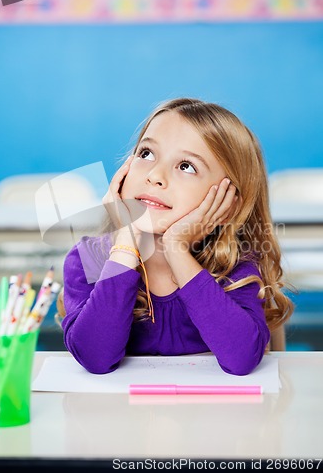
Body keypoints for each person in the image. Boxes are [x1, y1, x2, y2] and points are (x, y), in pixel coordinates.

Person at [56, 97, 294, 376]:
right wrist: (125, 244)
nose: (155, 175)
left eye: (186, 166)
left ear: (228, 202)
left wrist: (176, 249)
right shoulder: (88, 259)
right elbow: (95, 359)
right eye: (146, 154)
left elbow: (241, 360)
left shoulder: (236, 267)